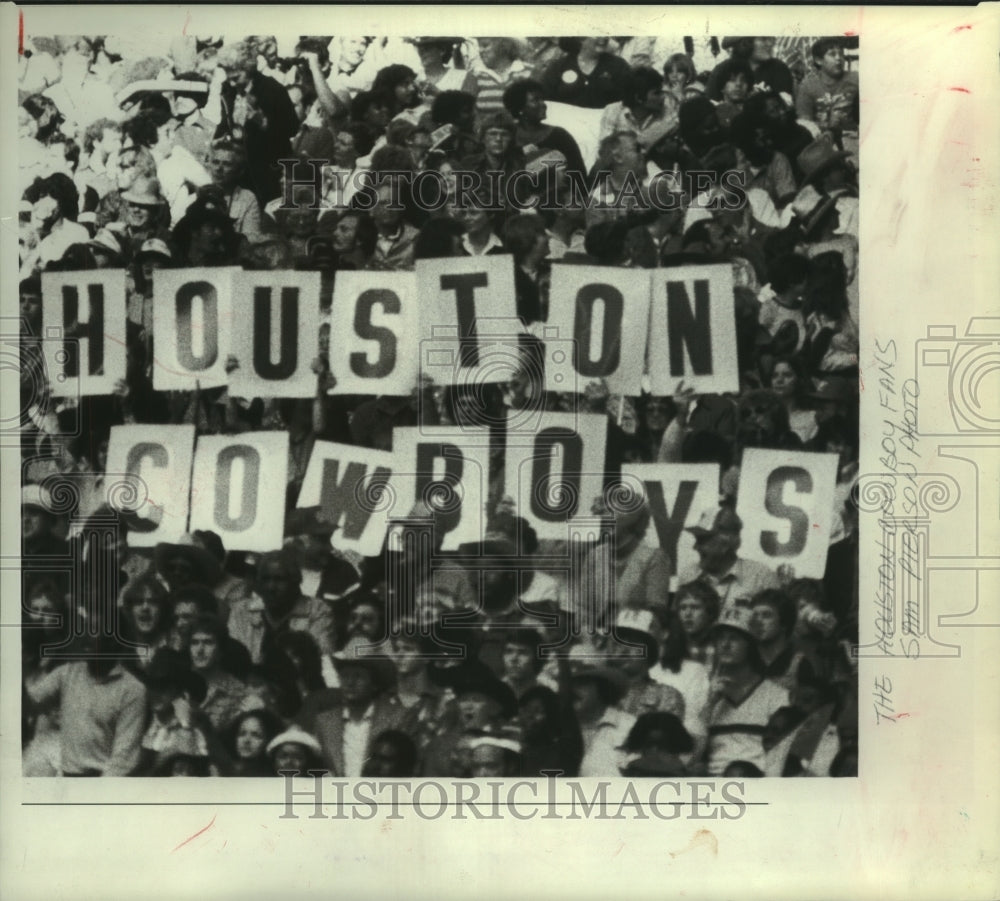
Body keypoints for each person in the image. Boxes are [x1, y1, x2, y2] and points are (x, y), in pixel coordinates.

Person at [24, 634, 148, 776]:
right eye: (86, 629)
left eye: (95, 631)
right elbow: (29, 704)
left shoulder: (132, 690)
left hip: (103, 784)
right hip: (68, 779)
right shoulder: (68, 673)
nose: (86, 638)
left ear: (114, 642)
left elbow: (124, 759)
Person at [303, 636, 406, 777]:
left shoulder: (396, 718)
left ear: (374, 684)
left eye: (358, 676)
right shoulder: (324, 721)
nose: (350, 683)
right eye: (345, 676)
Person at [704, 606, 789, 775]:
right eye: (721, 638)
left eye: (734, 638)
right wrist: (709, 704)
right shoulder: (708, 693)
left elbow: (779, 758)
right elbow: (691, 754)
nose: (725, 644)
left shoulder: (776, 696)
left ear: (751, 645)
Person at [678, 505, 781, 611]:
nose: (695, 547)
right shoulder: (689, 576)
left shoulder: (761, 577)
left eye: (702, 540)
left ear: (725, 544)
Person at [571, 665, 636, 777]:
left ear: (603, 688)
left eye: (583, 683)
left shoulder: (629, 725)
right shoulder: (557, 727)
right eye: (569, 684)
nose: (573, 690)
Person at [795, 38, 859, 141]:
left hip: (853, 137)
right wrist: (827, 125)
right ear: (818, 60)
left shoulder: (855, 79)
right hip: (822, 139)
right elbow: (804, 122)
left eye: (841, 54)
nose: (839, 58)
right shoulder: (808, 86)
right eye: (832, 54)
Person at [540, 38, 631, 109]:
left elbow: (628, 101)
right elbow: (544, 98)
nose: (604, 37)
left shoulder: (618, 65)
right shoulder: (559, 66)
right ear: (580, 38)